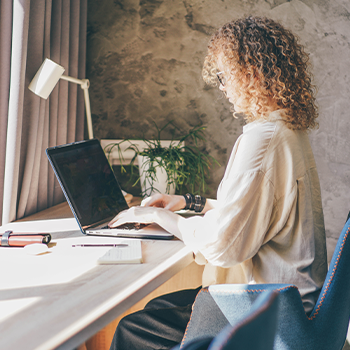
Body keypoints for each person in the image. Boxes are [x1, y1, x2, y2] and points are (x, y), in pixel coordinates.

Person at [108, 15, 327, 350]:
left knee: (132, 329)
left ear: (250, 74)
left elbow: (225, 248)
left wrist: (160, 218)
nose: (223, 88)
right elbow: (255, 212)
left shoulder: (263, 141)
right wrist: (188, 203)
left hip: (273, 311)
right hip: (295, 300)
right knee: (156, 309)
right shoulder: (287, 129)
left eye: (225, 77)